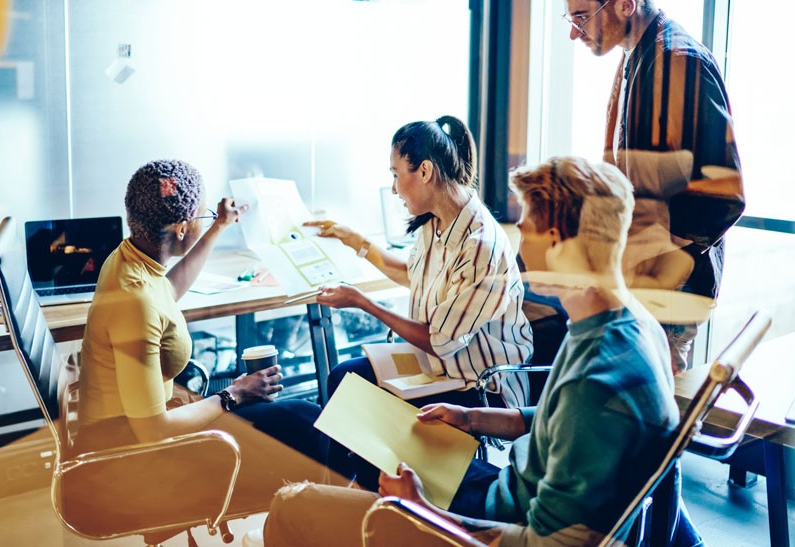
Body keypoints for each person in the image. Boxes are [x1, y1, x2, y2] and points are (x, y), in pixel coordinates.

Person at [264, 156, 690, 547]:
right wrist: (471, 417)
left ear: (558, 242)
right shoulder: (630, 326)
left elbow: (546, 544)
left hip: (499, 521)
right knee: (378, 439)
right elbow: (563, 422)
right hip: (511, 491)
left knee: (293, 505)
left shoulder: (594, 380)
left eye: (526, 228)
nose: (518, 241)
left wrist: (421, 513)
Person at [68, 159, 330, 537]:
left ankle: (302, 521)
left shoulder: (128, 261)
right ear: (180, 228)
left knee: (299, 415)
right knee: (308, 427)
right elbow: (153, 432)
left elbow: (167, 291)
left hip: (124, 437)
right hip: (129, 463)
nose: (207, 220)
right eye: (203, 216)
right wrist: (233, 394)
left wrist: (218, 227)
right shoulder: (134, 300)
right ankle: (301, 528)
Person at [305, 116, 531, 483]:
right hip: (440, 368)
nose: (394, 188)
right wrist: (353, 239)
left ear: (424, 171)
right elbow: (413, 276)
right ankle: (346, 496)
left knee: (362, 404)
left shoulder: (479, 244)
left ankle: (362, 497)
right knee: (343, 378)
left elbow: (440, 341)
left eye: (396, 174)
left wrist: (364, 302)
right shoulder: (436, 223)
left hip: (478, 386)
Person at [559, 0, 744, 372]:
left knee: (653, 423)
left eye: (582, 17)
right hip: (641, 283)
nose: (573, 32)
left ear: (625, 4)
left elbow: (725, 196)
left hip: (669, 291)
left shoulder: (681, 62)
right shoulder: (635, 54)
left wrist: (655, 253)